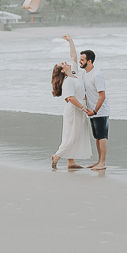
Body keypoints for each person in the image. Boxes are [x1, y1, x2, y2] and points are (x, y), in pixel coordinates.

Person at [65, 34, 110, 170]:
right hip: (92, 111)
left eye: (83, 60)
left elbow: (102, 96)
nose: (80, 62)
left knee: (102, 137)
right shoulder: (85, 74)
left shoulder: (97, 74)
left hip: (100, 110)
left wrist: (95, 110)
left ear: (89, 61)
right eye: (80, 59)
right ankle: (99, 161)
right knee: (97, 137)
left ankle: (103, 162)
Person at [51, 34, 91, 170]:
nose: (65, 62)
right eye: (62, 64)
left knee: (74, 135)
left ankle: (70, 163)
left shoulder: (73, 72)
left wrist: (70, 41)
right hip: (74, 111)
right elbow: (71, 98)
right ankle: (56, 156)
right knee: (71, 136)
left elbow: (74, 56)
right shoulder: (67, 82)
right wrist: (83, 108)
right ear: (62, 70)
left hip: (78, 110)